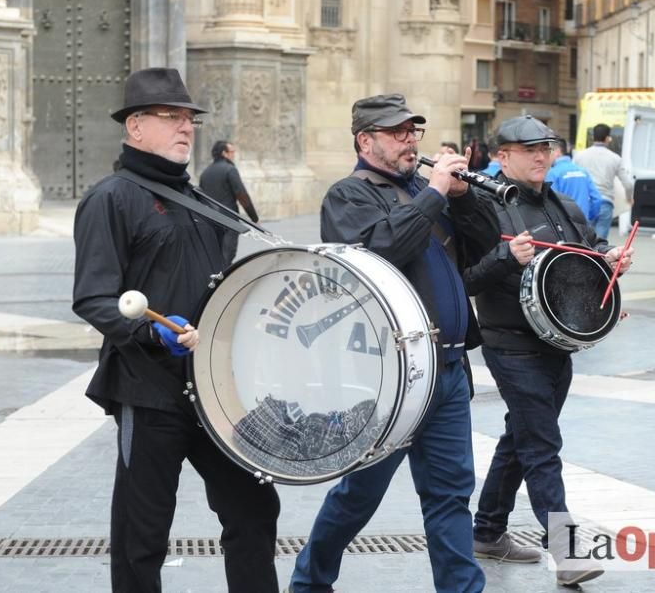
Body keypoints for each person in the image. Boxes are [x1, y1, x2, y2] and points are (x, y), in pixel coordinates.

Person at [72, 67, 280, 592]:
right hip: (149, 393)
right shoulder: (111, 198)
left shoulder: (200, 201)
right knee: (142, 535)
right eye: (171, 117)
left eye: (188, 118)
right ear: (136, 126)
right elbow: (94, 297)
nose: (186, 127)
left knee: (254, 509)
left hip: (213, 391)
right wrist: (150, 332)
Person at [288, 93, 498, 593]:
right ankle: (310, 582)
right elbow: (381, 251)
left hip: (445, 370)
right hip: (387, 375)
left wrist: (464, 198)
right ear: (366, 140)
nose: (410, 140)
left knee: (450, 494)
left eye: (413, 131)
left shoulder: (433, 194)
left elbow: (488, 243)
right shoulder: (348, 195)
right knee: (360, 493)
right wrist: (434, 195)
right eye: (397, 132)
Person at [462, 115, 632, 589]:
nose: (542, 156)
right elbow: (464, 279)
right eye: (528, 149)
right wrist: (502, 258)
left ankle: (488, 530)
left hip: (559, 343)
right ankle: (566, 550)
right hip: (509, 343)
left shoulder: (565, 204)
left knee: (522, 436)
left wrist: (611, 261)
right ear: (501, 156)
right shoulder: (479, 208)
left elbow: (591, 254)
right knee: (541, 444)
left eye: (547, 147)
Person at [199, 140, 259, 264]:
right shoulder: (230, 170)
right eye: (232, 152)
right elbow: (242, 195)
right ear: (224, 153)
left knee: (215, 256)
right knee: (227, 256)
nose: (234, 155)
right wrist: (254, 218)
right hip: (229, 220)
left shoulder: (205, 173)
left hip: (210, 220)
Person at [573, 122, 634, 239]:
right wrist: (629, 198)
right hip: (605, 203)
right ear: (607, 138)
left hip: (585, 202)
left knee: (583, 240)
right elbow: (628, 184)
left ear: (593, 137)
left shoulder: (579, 156)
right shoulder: (615, 158)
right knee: (599, 243)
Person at [546, 141, 602, 223]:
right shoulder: (583, 171)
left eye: (549, 151)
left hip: (565, 225)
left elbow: (550, 202)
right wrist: (589, 217)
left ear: (557, 151)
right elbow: (597, 199)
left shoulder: (552, 173)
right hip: (583, 223)